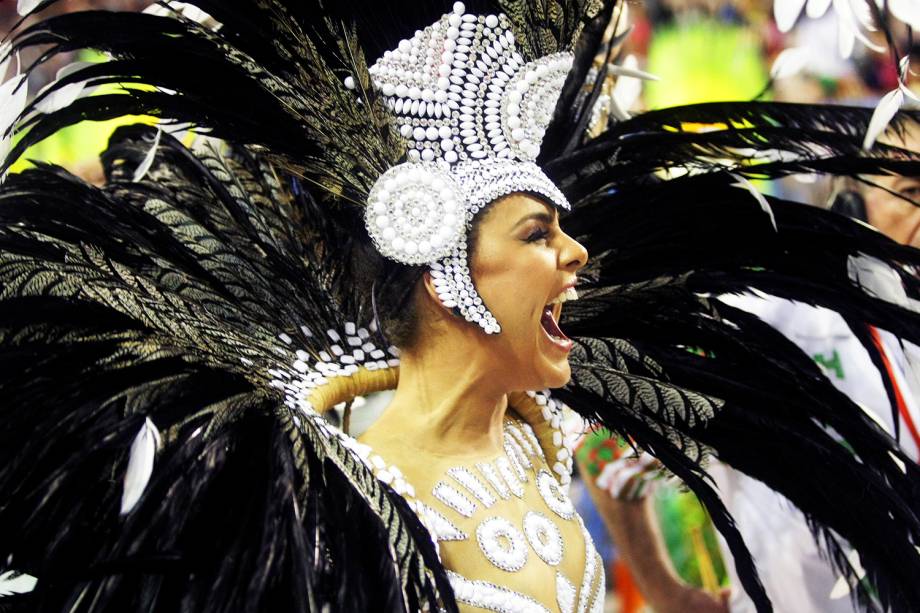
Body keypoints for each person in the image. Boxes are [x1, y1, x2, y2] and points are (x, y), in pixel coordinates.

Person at [2, 1, 920, 612]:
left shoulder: (537, 433)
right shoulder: (342, 486)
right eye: (534, 235)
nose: (576, 253)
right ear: (448, 276)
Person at [582, 124, 920, 613]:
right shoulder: (772, 321)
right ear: (852, 205)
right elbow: (606, 454)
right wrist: (667, 593)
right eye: (908, 192)